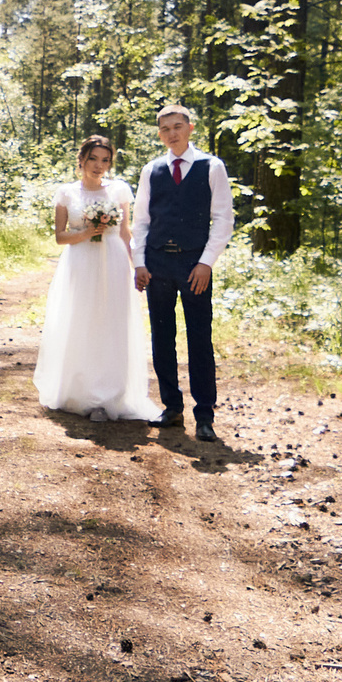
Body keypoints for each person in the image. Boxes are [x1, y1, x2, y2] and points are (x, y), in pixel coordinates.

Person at [34, 135, 164, 423]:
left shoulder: (119, 190)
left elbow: (126, 232)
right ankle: (80, 392)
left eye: (105, 160)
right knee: (81, 321)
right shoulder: (66, 193)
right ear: (81, 160)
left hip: (114, 262)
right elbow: (60, 236)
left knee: (111, 323)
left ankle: (110, 394)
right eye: (93, 158)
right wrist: (87, 232)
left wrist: (138, 265)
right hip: (80, 263)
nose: (99, 165)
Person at [129, 102, 236, 442]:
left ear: (190, 128)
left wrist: (206, 262)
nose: (171, 133)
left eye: (177, 126)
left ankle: (205, 414)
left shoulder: (211, 166)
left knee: (199, 339)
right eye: (165, 128)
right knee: (162, 337)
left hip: (194, 265)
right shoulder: (152, 170)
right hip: (158, 264)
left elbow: (223, 219)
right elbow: (141, 220)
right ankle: (171, 407)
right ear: (160, 134)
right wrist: (140, 262)